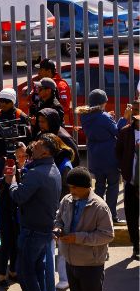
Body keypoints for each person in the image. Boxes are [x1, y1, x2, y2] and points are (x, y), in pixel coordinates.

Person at [54, 167, 115, 291]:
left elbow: (107, 235)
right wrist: (57, 229)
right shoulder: (67, 200)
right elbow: (58, 219)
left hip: (91, 265)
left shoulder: (99, 207)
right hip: (71, 262)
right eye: (70, 187)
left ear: (86, 187)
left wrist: (77, 237)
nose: (71, 191)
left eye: (74, 187)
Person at [5, 134, 62, 291]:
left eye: (37, 145)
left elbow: (19, 196)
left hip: (33, 228)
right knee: (36, 266)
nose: (33, 146)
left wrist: (11, 182)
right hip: (41, 227)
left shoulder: (38, 173)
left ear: (45, 152)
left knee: (25, 268)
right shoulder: (51, 169)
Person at [79, 89, 126, 224]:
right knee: (113, 185)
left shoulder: (85, 116)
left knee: (99, 186)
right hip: (109, 156)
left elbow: (100, 124)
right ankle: (111, 216)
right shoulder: (104, 117)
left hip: (95, 156)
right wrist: (124, 118)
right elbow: (117, 132)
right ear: (103, 102)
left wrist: (107, 116)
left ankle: (97, 216)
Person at [116, 101, 139, 260]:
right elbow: (118, 152)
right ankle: (136, 246)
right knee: (131, 215)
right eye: (136, 110)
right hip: (131, 182)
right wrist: (125, 171)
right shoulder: (125, 132)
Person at [30, 58, 72, 124]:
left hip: (55, 124)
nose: (38, 73)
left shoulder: (61, 85)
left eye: (41, 70)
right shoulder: (40, 84)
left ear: (49, 71)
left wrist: (47, 115)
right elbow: (34, 101)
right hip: (41, 123)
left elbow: (64, 107)